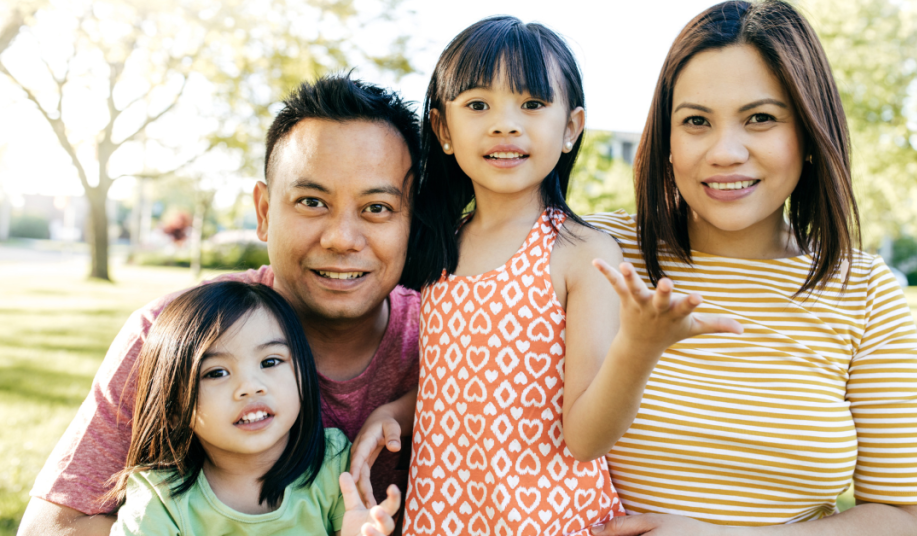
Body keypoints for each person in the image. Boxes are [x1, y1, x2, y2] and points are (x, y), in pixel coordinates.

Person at [584, 2, 917, 534]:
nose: (725, 152)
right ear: (666, 140)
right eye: (696, 122)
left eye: (761, 118)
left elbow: (911, 519)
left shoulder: (866, 291)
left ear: (810, 134)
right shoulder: (594, 253)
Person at [19, 74, 422, 535]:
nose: (341, 239)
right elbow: (54, 526)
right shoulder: (175, 333)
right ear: (265, 212)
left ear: (412, 220)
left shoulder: (450, 340)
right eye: (311, 201)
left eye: (377, 208)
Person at [384, 16, 740, 535]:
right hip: (442, 516)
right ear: (442, 129)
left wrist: (639, 348)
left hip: (547, 520)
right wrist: (396, 412)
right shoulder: (440, 246)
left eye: (531, 104)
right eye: (478, 105)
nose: (505, 124)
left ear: (571, 128)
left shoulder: (581, 254)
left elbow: (586, 438)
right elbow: (462, 383)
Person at [106, 281, 400, 535]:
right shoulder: (158, 496)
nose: (251, 386)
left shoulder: (331, 463)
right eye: (216, 373)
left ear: (303, 374)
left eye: (270, 362)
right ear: (173, 408)